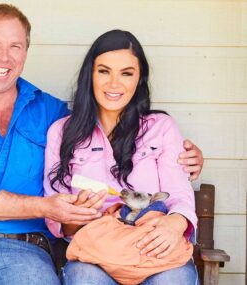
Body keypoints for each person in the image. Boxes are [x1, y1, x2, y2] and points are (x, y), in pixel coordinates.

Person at [0, 4, 203, 285]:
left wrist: (185, 159)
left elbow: (101, 135)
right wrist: (44, 207)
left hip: (26, 251)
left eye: (15, 46)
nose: (4, 57)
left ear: (25, 53)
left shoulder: (51, 113)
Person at [44, 30, 199, 285]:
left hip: (153, 246)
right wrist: (76, 215)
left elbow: (179, 193)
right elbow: (56, 215)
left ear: (139, 79)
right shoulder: (62, 132)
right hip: (97, 252)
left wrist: (176, 223)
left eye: (126, 73)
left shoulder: (160, 127)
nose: (114, 84)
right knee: (85, 277)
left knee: (172, 280)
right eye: (104, 71)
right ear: (90, 76)